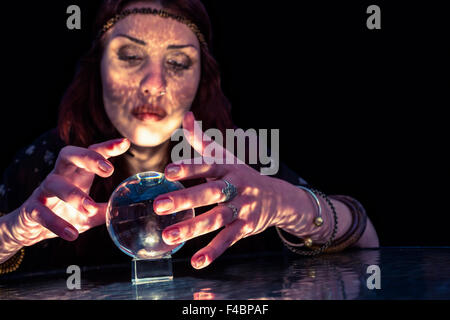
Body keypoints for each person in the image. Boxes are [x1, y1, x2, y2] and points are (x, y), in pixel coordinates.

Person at [0, 0, 379, 276]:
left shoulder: (236, 158)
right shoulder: (48, 159)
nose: (154, 85)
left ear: (202, 80)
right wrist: (13, 231)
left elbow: (367, 242)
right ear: (97, 68)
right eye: (130, 56)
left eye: (178, 63)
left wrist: (288, 203)